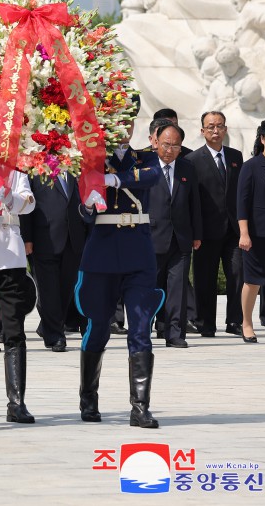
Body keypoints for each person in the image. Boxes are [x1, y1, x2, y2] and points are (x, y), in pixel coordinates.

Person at [74, 117, 163, 428]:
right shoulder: (91, 159)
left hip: (138, 251)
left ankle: (140, 407)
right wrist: (88, 202)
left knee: (140, 328)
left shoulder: (146, 157)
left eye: (128, 120)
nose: (122, 126)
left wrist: (114, 181)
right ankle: (88, 397)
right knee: (98, 327)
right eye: (116, 118)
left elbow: (152, 176)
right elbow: (84, 212)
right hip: (101, 253)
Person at [0, 165, 37, 423]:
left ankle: (16, 402)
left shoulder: (16, 168)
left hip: (10, 255)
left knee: (14, 331)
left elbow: (29, 202)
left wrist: (10, 199)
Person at [187, 111, 244, 337]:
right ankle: (206, 323)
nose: (215, 131)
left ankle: (235, 321)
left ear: (225, 129)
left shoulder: (235, 157)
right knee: (204, 279)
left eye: (219, 126)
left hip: (233, 230)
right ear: (202, 131)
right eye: (210, 127)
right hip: (206, 231)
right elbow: (192, 199)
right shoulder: (192, 161)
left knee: (238, 274)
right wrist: (195, 231)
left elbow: (239, 193)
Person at [148, 123, 201, 348]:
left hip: (180, 239)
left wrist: (196, 234)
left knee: (177, 288)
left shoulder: (187, 168)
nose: (169, 150)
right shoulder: (145, 166)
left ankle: (175, 333)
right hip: (150, 238)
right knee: (149, 288)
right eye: (166, 144)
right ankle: (144, 329)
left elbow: (195, 204)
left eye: (175, 146)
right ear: (155, 142)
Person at [22, 170, 86, 351]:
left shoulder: (75, 168)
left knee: (65, 289)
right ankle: (55, 335)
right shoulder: (35, 170)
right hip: (44, 238)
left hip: (73, 239)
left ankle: (49, 325)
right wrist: (27, 238)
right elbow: (27, 206)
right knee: (48, 290)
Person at [237, 116, 265, 343]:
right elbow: (242, 202)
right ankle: (247, 323)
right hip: (257, 234)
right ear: (262, 139)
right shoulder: (251, 166)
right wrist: (244, 232)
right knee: (253, 281)